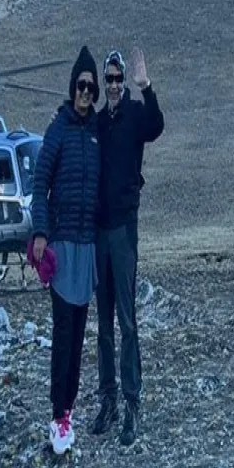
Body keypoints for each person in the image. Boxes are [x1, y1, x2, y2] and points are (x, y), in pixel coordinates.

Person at [90, 47, 164, 446]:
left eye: (120, 80)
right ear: (104, 84)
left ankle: (133, 403)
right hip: (99, 231)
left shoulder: (136, 115)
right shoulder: (98, 123)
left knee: (127, 320)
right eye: (111, 80)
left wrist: (146, 87)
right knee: (102, 325)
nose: (115, 86)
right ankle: (108, 400)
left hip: (123, 230)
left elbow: (158, 126)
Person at [30, 46, 101, 456]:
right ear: (72, 87)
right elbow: (40, 185)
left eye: (91, 86)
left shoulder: (97, 133)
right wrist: (41, 233)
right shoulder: (57, 130)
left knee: (78, 337)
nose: (87, 92)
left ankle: (68, 410)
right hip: (60, 247)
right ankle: (57, 414)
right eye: (82, 85)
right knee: (63, 334)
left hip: (88, 247)